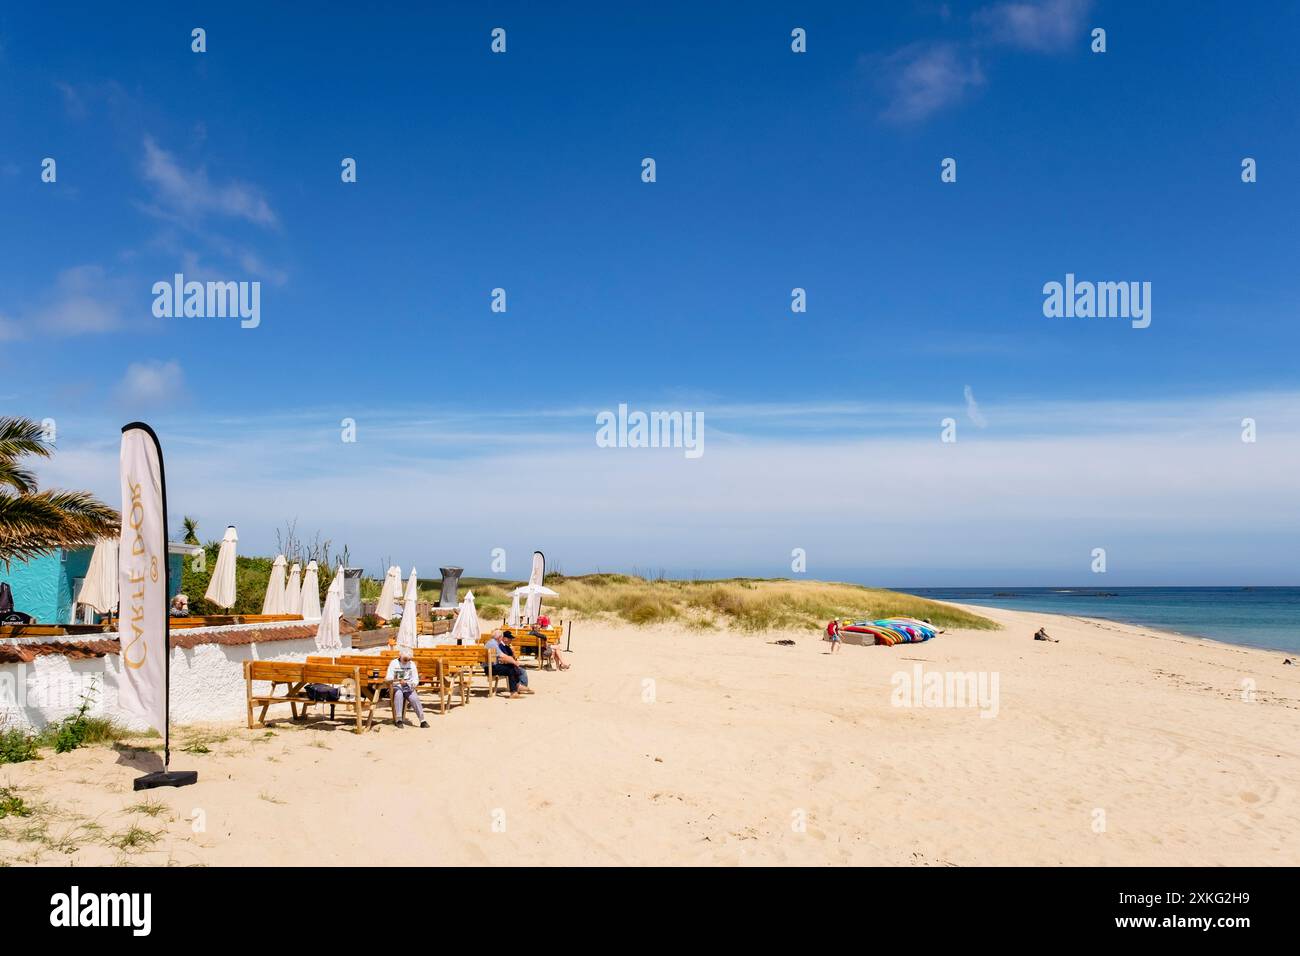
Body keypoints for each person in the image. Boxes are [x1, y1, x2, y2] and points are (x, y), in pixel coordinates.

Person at [386, 648, 429, 728]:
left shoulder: (411, 664)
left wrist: (410, 683)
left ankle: (422, 720)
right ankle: (399, 719)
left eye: (408, 659)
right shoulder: (394, 663)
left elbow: (415, 679)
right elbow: (388, 677)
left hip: (408, 686)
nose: (406, 661)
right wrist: (398, 680)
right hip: (396, 685)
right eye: (405, 659)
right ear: (400, 656)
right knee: (398, 694)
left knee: (414, 698)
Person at [484, 630, 532, 698]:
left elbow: (502, 657)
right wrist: (514, 662)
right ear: (499, 637)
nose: (502, 639)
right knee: (510, 669)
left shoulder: (492, 642)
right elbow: (503, 656)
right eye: (502, 637)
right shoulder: (493, 644)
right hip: (490, 668)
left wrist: (512, 661)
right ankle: (513, 692)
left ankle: (517, 687)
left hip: (490, 666)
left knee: (510, 667)